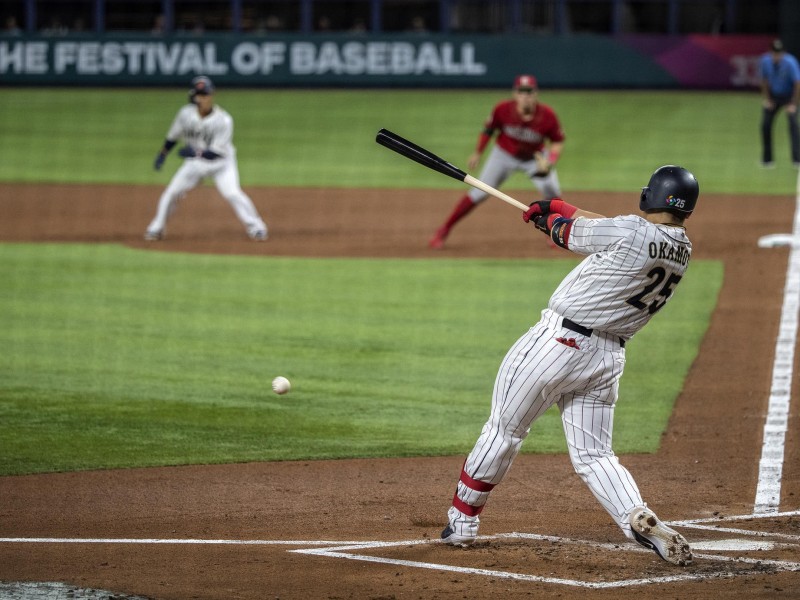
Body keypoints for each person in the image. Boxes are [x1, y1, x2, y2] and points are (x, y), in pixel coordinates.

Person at [441, 165, 699, 567]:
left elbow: (570, 235)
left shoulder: (632, 231)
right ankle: (636, 515)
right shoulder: (681, 249)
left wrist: (548, 220)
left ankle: (462, 523)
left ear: (655, 195)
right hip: (607, 358)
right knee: (596, 456)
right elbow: (611, 229)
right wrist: (562, 206)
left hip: (557, 345)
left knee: (504, 430)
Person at [429, 74, 565, 249]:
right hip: (504, 155)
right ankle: (444, 229)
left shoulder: (547, 116)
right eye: (522, 92)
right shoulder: (502, 109)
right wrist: (478, 153)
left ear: (535, 93)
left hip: (534, 158)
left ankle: (557, 231)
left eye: (529, 92)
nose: (525, 96)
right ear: (515, 94)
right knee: (479, 192)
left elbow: (557, 140)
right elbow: (488, 130)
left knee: (552, 191)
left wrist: (550, 160)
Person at [146, 76, 268, 241]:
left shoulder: (224, 120)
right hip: (194, 165)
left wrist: (195, 154)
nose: (202, 98)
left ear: (212, 95)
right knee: (171, 192)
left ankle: (257, 227)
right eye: (199, 95)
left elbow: (215, 153)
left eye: (205, 94)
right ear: (193, 96)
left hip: (221, 165)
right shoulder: (185, 114)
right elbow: (172, 137)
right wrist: (162, 154)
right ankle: (157, 227)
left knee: (232, 193)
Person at [759, 39, 800, 168]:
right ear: (771, 52)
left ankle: (797, 159)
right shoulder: (765, 61)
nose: (777, 56)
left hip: (789, 96)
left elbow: (797, 84)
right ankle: (767, 160)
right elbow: (764, 81)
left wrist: (794, 103)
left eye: (779, 53)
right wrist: (767, 99)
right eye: (774, 53)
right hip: (774, 95)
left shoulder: (791, 62)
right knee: (765, 125)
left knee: (793, 125)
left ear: (783, 52)